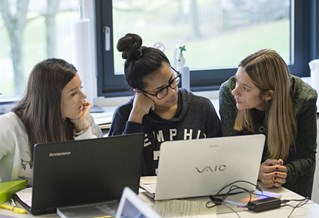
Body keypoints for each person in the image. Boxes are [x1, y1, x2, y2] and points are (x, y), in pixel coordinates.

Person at [109, 33, 221, 175]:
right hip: (143, 197)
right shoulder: (124, 115)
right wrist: (136, 117)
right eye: (160, 90)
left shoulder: (201, 107)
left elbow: (221, 159)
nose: (172, 92)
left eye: (172, 80)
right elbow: (116, 171)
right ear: (139, 91)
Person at [219, 49, 318, 198]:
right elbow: (230, 152)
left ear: (269, 94)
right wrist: (256, 171)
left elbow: (307, 156)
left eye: (245, 88)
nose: (235, 91)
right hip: (243, 187)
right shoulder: (228, 92)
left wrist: (284, 172)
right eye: (237, 81)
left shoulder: (304, 98)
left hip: (291, 192)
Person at [0, 58, 103, 185]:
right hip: (18, 204)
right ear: (50, 100)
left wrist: (83, 130)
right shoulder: (7, 127)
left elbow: (98, 172)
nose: (83, 96)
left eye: (80, 88)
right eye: (73, 93)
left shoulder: (83, 119)